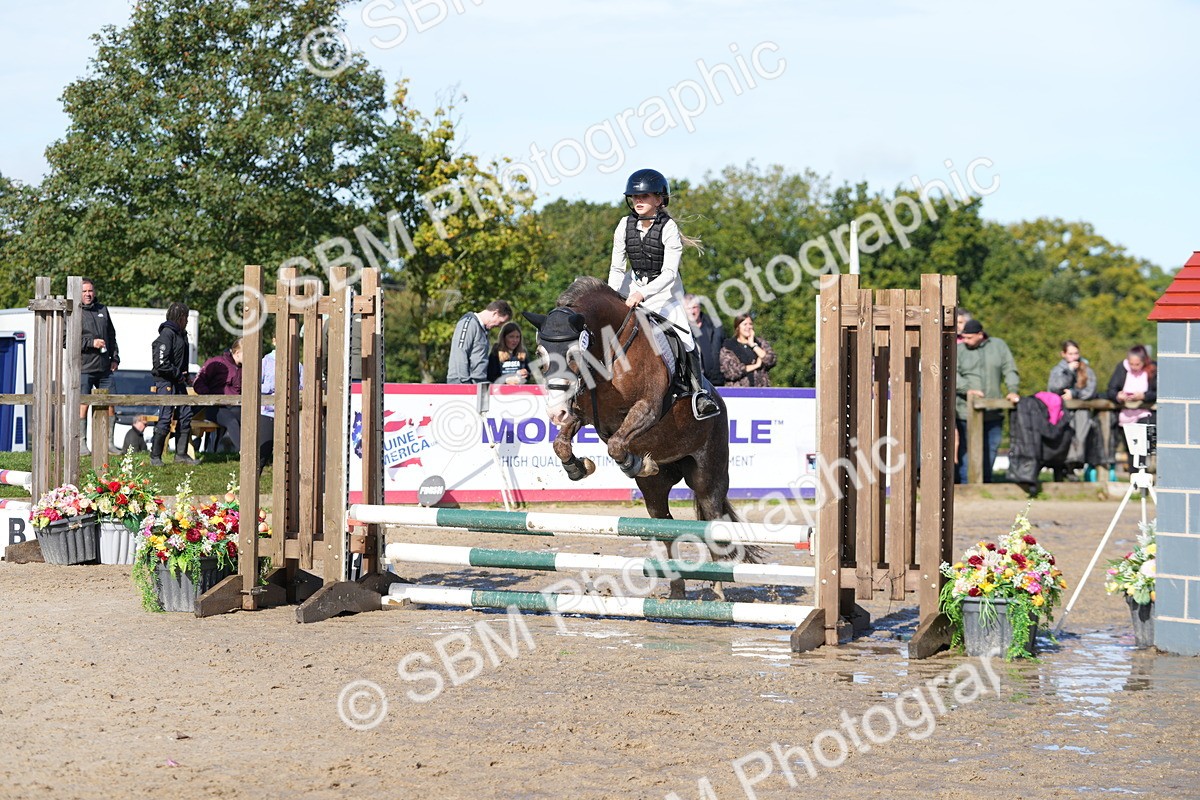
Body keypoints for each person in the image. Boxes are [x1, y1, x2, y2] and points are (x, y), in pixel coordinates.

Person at [607, 168, 719, 420]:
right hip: (631, 285)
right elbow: (616, 268)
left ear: (659, 199)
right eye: (635, 196)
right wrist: (613, 296)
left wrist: (642, 294)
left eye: (645, 196)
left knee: (687, 339)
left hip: (664, 293)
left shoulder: (668, 228)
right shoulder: (623, 225)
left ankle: (699, 393)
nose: (638, 201)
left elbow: (669, 273)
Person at [955, 318, 1019, 483]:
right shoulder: (959, 350)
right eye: (964, 337)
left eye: (969, 337)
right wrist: (967, 389)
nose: (965, 341)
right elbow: (951, 373)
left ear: (980, 335)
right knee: (967, 449)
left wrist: (1012, 390)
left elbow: (1009, 368)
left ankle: (986, 482)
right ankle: (966, 483)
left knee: (991, 448)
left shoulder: (998, 346)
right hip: (965, 411)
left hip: (993, 410)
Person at [149, 302, 198, 466]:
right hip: (166, 381)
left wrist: (186, 375)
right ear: (180, 317)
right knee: (165, 417)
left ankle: (181, 454)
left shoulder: (181, 334)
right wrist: (178, 373)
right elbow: (160, 363)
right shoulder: (167, 334)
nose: (187, 321)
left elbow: (181, 360)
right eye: (185, 317)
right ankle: (155, 457)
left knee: (186, 415)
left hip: (179, 381)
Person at [78, 278, 122, 455]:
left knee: (111, 403)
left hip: (105, 368)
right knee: (83, 405)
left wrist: (115, 358)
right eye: (84, 291)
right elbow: (67, 340)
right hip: (84, 367)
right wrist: (91, 343)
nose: (88, 294)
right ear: (79, 293)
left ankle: (109, 443)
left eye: (90, 291)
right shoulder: (74, 312)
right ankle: (81, 444)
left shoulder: (102, 309)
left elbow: (111, 334)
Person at [1046, 340, 1099, 479]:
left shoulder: (1086, 369)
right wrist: (1069, 371)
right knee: (1063, 439)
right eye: (1070, 354)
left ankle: (1072, 467)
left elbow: (1090, 391)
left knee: (1080, 438)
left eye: (1076, 353)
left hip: (1081, 411)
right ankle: (1060, 468)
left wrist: (1074, 394)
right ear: (1063, 354)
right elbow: (1055, 387)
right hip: (1061, 412)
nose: (1074, 357)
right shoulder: (1058, 370)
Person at [1106, 344, 1157, 475]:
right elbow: (1110, 389)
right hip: (1125, 416)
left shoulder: (1152, 369)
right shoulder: (1121, 368)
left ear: (1144, 361)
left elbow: (1158, 392)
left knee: (1142, 448)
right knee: (1130, 450)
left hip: (1146, 414)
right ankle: (1134, 480)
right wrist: (1118, 396)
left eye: (1137, 364)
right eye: (1131, 364)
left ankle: (1143, 479)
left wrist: (1144, 396)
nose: (1134, 367)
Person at [194, 339, 244, 452]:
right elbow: (198, 382)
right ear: (237, 353)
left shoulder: (244, 369)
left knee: (250, 418)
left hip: (234, 406)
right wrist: (209, 397)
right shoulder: (217, 363)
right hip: (215, 407)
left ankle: (260, 452)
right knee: (231, 422)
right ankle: (246, 453)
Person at [447, 301, 512, 383]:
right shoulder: (469, 322)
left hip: (478, 383)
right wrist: (465, 382)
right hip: (462, 383)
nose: (499, 326)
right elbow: (460, 352)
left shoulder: (483, 330)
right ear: (495, 313)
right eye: (501, 322)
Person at [719, 313, 776, 388]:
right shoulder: (729, 346)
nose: (748, 327)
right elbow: (730, 372)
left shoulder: (760, 343)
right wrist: (756, 365)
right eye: (745, 324)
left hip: (761, 391)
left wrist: (753, 345)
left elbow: (771, 360)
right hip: (738, 392)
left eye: (750, 324)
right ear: (737, 327)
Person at [685, 294, 724, 387]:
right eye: (688, 308)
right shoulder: (681, 330)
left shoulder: (715, 326)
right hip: (692, 383)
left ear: (700, 308)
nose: (692, 311)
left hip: (716, 382)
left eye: (694, 307)